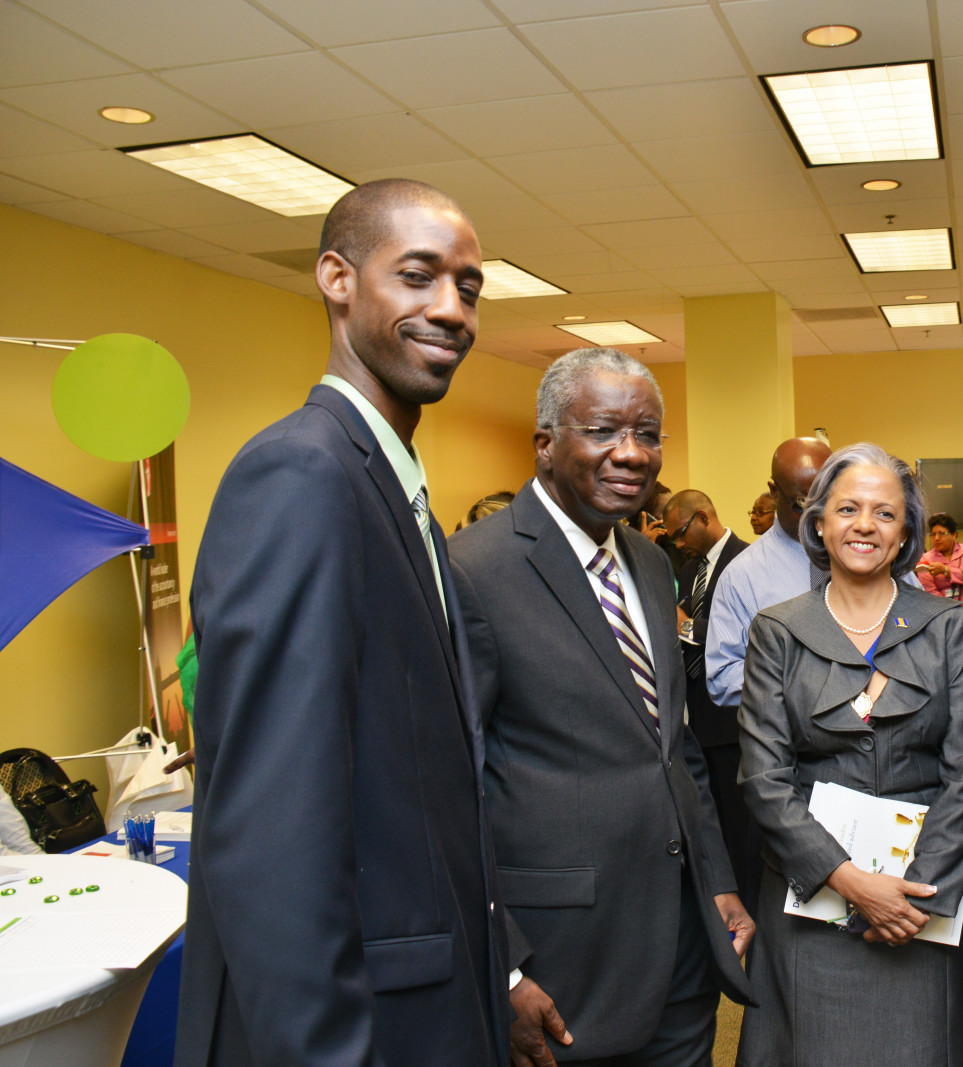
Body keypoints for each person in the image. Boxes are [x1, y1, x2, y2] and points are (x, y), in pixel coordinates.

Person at [177, 180, 507, 1066]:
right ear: (337, 278)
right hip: (351, 1028)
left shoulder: (390, 488)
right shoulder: (302, 474)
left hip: (426, 1003)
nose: (452, 309)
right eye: (417, 276)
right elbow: (272, 827)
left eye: (468, 287)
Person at [449, 348, 754, 1067]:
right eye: (603, 431)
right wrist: (504, 966)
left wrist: (717, 881)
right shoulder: (472, 570)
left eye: (647, 433)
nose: (632, 453)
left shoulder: (648, 561)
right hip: (561, 960)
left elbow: (674, 746)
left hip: (681, 945)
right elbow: (444, 791)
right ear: (546, 443)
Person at [735, 443, 963, 1066]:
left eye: (885, 513)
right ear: (819, 522)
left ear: (906, 533)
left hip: (920, 899)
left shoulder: (947, 626)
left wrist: (914, 895)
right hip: (812, 897)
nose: (865, 525)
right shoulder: (776, 630)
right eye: (848, 508)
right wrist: (847, 879)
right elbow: (764, 778)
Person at [660, 489, 757, 905]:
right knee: (711, 826)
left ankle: (751, 908)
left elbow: (749, 636)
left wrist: (683, 625)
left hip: (734, 719)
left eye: (680, 532)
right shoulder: (688, 570)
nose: (678, 542)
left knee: (741, 829)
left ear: (703, 517)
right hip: (696, 716)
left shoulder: (748, 561)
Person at [703, 437, 833, 711]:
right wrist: (800, 684)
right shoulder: (741, 576)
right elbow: (722, 677)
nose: (817, 515)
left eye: (827, 500)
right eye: (802, 504)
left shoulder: (868, 555)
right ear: (774, 492)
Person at [915, 512, 963, 635]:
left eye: (941, 533)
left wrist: (946, 570)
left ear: (954, 535)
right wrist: (951, 611)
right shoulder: (926, 559)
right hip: (943, 617)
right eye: (933, 534)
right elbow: (930, 591)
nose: (936, 538)